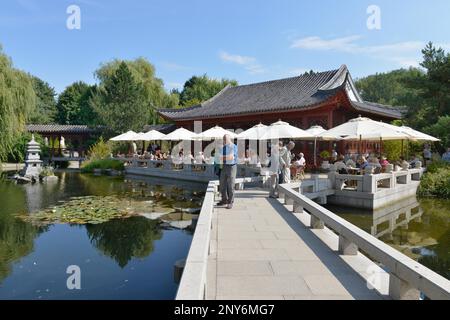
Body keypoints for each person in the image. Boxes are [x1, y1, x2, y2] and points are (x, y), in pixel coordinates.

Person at [218, 134, 238, 209]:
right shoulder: (224, 147)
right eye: (223, 140)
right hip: (224, 166)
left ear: (229, 139)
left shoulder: (234, 147)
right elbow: (219, 157)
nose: (224, 141)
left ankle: (230, 202)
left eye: (225, 139)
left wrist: (223, 157)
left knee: (231, 185)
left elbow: (231, 157)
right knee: (222, 183)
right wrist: (224, 157)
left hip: (232, 167)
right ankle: (224, 200)